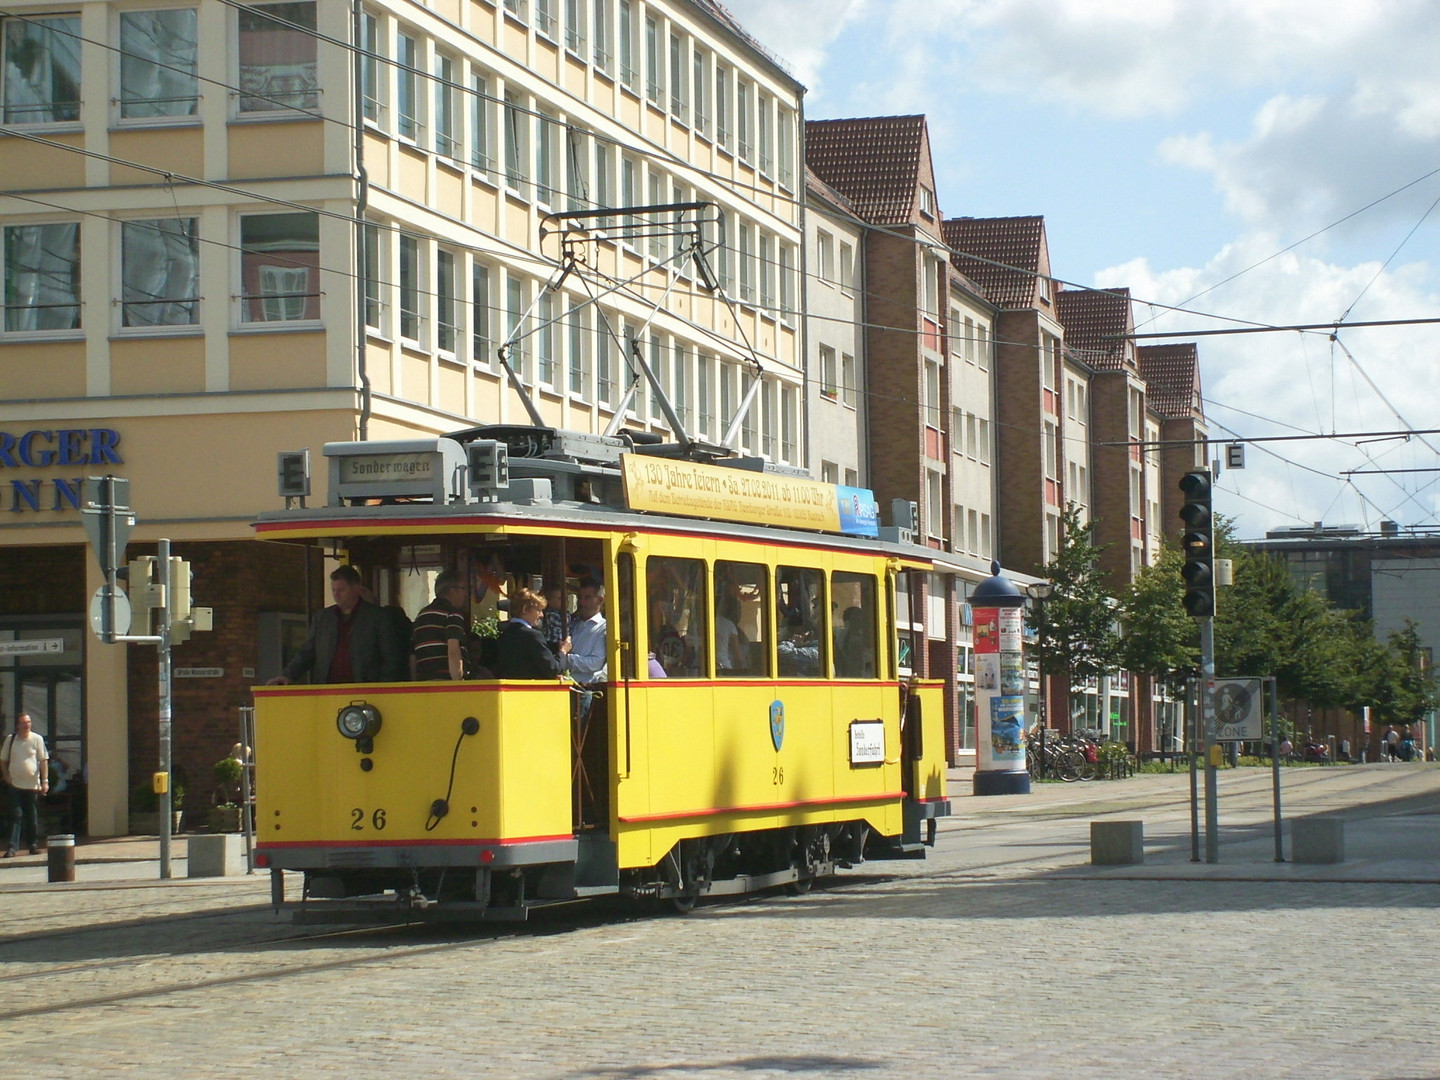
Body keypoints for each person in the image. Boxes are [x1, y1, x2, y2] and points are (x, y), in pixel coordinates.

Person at [267, 566, 401, 684]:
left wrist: (382, 687)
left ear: (356, 588)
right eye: (333, 590)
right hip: (328, 691)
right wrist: (287, 675)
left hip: (366, 691)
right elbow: (307, 652)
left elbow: (390, 657)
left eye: (341, 590)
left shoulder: (377, 617)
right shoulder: (323, 618)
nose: (336, 595)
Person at [493, 587, 568, 679]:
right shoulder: (533, 636)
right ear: (525, 609)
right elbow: (552, 669)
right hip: (532, 691)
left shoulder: (504, 636)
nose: (541, 615)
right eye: (538, 610)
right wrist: (563, 651)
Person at [3, 713, 49, 857]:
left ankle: (33, 845)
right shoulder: (11, 740)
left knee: (32, 817)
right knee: (16, 815)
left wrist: (45, 781)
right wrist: (6, 776)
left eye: (28, 722)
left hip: (32, 785)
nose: (27, 725)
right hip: (15, 784)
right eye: (23, 723)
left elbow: (43, 760)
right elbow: (3, 760)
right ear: (17, 725)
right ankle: (12, 848)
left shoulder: (37, 739)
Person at [411, 569, 469, 681]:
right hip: (445, 682)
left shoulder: (421, 616)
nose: (466, 594)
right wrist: (458, 683)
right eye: (464, 589)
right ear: (453, 591)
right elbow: (453, 650)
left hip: (424, 683)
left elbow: (413, 655)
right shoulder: (452, 614)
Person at [562, 580, 607, 684]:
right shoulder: (573, 624)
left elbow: (595, 663)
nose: (581, 602)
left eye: (587, 597)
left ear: (600, 600)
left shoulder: (604, 628)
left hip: (585, 688)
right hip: (564, 684)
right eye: (579, 597)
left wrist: (565, 658)